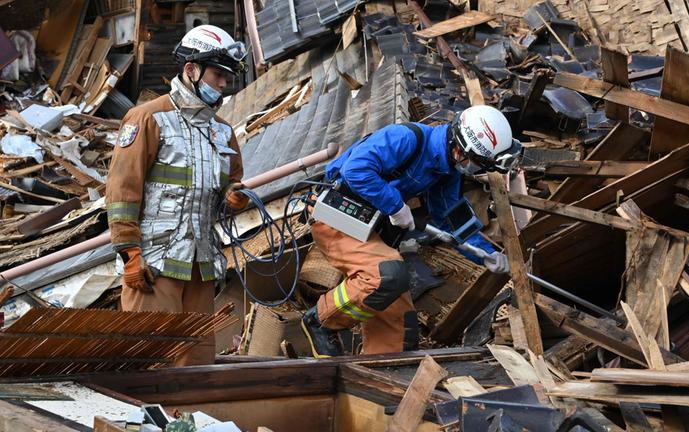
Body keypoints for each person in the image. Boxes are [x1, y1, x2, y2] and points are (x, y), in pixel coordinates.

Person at [301, 105, 523, 358]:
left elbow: (450, 220)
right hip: (338, 216)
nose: (471, 170)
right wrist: (395, 205)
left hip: (372, 228)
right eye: (473, 163)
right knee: (386, 276)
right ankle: (321, 321)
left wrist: (485, 255)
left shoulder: (446, 170)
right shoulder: (405, 138)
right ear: (459, 147)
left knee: (402, 330)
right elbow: (356, 170)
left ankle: (378, 372)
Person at [105, 25, 250, 366]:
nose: (223, 85)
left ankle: (189, 421)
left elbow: (232, 181)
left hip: (201, 266)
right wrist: (130, 255)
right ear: (191, 70)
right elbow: (122, 191)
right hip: (154, 267)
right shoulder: (148, 118)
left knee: (196, 365)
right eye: (218, 75)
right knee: (150, 362)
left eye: (227, 78)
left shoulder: (223, 132)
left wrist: (232, 196)